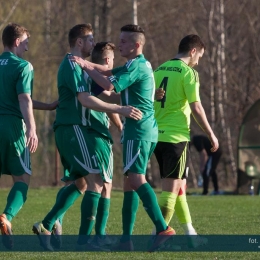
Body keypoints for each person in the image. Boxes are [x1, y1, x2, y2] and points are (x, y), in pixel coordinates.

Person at [32, 24, 142, 252]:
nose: (93, 44)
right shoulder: (73, 64)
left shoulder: (79, 66)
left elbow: (107, 92)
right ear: (79, 42)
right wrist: (120, 111)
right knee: (96, 182)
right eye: (90, 40)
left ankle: (47, 224)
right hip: (75, 129)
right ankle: (86, 240)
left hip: (74, 129)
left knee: (83, 183)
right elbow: (85, 99)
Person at [70, 24, 175, 252]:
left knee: (136, 179)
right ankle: (126, 240)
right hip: (144, 130)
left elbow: (108, 83)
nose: (120, 45)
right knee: (129, 184)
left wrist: (84, 66)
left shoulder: (136, 66)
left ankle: (162, 228)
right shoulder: (135, 64)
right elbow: (107, 72)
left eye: (124, 42)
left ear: (137, 45)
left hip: (138, 131)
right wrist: (88, 65)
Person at [51, 41, 123, 250]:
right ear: (108, 60)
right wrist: (122, 119)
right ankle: (97, 235)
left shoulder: (84, 72)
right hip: (96, 135)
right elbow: (109, 98)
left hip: (76, 134)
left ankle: (57, 219)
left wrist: (118, 124)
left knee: (76, 182)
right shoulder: (96, 79)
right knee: (103, 184)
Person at [153, 34, 219, 248]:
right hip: (176, 138)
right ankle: (158, 235)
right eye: (199, 56)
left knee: (179, 185)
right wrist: (211, 134)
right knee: (170, 191)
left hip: (156, 136)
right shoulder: (188, 72)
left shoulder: (159, 69)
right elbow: (196, 107)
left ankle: (191, 234)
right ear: (192, 51)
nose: (198, 61)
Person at [0, 23, 58, 250]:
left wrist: (48, 106)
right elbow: (23, 99)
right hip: (13, 127)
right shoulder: (23, 66)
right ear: (16, 42)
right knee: (22, 179)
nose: (27, 47)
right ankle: (6, 217)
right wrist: (32, 129)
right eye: (25, 42)